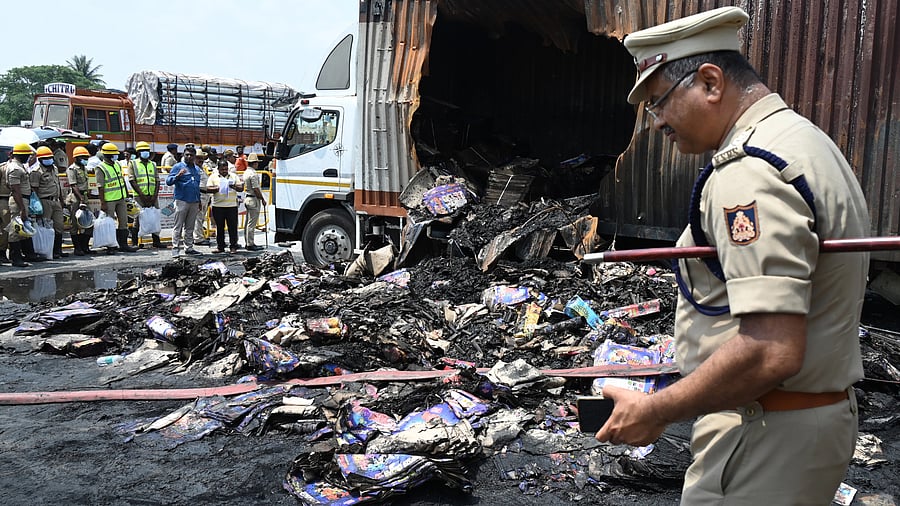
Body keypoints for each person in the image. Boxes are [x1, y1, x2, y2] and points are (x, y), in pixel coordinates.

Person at [594, 7, 870, 505]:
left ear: (710, 81)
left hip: (763, 433)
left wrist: (656, 410)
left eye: (658, 103)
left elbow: (769, 350)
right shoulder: (805, 142)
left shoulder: (749, 172)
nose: (656, 124)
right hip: (795, 428)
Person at [95, 143, 137, 253]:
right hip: (109, 200)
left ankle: (123, 245)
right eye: (113, 154)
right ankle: (111, 246)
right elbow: (100, 187)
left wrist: (126, 194)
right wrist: (103, 203)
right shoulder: (100, 168)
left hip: (120, 198)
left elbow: (121, 179)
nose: (116, 156)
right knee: (110, 223)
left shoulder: (117, 164)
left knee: (123, 222)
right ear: (107, 155)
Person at [165, 146, 203, 258]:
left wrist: (199, 200)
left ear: (194, 156)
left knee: (190, 227)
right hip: (182, 200)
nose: (189, 157)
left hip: (194, 201)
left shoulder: (196, 169)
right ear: (183, 155)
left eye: (191, 155)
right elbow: (168, 181)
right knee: (178, 226)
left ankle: (189, 248)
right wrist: (177, 176)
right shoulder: (178, 167)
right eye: (187, 155)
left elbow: (197, 186)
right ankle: (175, 248)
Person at [31, 146, 68, 259]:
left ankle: (58, 250)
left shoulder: (55, 169)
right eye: (46, 158)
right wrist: (37, 206)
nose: (49, 160)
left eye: (50, 157)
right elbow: (35, 190)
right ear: (40, 160)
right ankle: (47, 250)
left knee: (59, 226)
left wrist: (62, 200)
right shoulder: (36, 172)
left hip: (56, 200)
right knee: (45, 226)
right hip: (44, 201)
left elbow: (58, 185)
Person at [128, 141, 166, 249]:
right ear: (139, 152)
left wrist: (154, 196)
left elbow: (157, 181)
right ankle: (135, 242)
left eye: (147, 151)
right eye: (143, 151)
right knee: (138, 218)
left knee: (155, 217)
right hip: (139, 196)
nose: (146, 153)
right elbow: (132, 180)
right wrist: (143, 196)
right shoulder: (133, 163)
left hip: (153, 196)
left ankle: (156, 241)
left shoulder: (153, 164)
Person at [5, 143, 36, 267]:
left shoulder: (20, 166)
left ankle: (25, 254)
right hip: (19, 200)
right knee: (16, 229)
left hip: (23, 199)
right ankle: (16, 257)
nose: (28, 157)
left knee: (23, 227)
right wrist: (22, 208)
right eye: (26, 155)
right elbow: (15, 189)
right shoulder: (15, 168)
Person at [207, 158, 243, 253]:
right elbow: (208, 188)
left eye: (226, 169)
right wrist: (217, 188)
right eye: (222, 169)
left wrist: (233, 186)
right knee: (219, 227)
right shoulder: (213, 177)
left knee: (232, 227)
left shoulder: (233, 176)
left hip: (231, 206)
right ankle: (220, 246)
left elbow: (241, 188)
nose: (224, 171)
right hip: (218, 206)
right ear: (218, 169)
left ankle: (233, 246)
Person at [66, 146, 93, 255]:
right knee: (75, 224)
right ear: (76, 158)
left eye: (86, 157)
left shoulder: (85, 169)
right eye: (83, 157)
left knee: (88, 222)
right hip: (75, 198)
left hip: (85, 197)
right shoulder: (72, 169)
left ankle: (85, 246)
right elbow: (74, 185)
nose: (85, 159)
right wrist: (81, 199)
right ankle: (77, 248)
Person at [242, 153, 266, 251]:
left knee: (247, 222)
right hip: (253, 199)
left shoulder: (246, 172)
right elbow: (256, 189)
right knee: (252, 223)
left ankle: (247, 241)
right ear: (255, 163)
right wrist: (262, 199)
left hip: (248, 197)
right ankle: (250, 243)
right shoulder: (253, 174)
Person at [193, 149, 214, 246]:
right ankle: (198, 238)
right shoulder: (195, 169)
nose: (200, 160)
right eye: (198, 158)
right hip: (200, 195)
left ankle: (199, 236)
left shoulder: (201, 168)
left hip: (205, 195)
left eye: (201, 158)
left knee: (201, 218)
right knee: (198, 217)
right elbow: (198, 186)